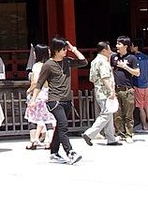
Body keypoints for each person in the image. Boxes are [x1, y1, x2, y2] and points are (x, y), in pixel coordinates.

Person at [28, 36, 87, 164]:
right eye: (63, 49)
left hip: (67, 100)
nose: (66, 51)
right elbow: (39, 83)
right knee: (63, 125)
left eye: (66, 49)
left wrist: (74, 49)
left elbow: (84, 62)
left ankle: (54, 153)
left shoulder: (67, 62)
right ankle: (70, 152)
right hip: (55, 100)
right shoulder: (48, 65)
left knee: (60, 127)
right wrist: (33, 99)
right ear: (56, 50)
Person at [82, 41, 121, 147]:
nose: (110, 52)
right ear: (104, 50)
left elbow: (92, 78)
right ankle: (89, 134)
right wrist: (111, 90)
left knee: (108, 114)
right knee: (106, 114)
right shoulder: (103, 62)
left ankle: (111, 138)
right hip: (105, 92)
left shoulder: (94, 61)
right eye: (109, 49)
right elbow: (105, 77)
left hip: (98, 90)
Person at [25, 44, 56, 150]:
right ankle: (49, 142)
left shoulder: (37, 66)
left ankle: (33, 141)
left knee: (32, 119)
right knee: (48, 119)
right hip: (49, 94)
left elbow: (35, 82)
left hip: (38, 94)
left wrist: (29, 91)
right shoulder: (51, 64)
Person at [111, 36, 140, 142]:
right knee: (117, 113)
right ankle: (119, 133)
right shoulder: (114, 57)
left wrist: (125, 67)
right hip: (116, 89)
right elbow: (111, 70)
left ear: (126, 46)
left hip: (128, 89)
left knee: (128, 113)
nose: (117, 46)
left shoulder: (132, 58)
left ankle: (129, 134)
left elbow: (137, 73)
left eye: (119, 44)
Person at [131, 39, 148, 132]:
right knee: (146, 106)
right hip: (146, 84)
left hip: (138, 84)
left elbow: (134, 72)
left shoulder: (134, 58)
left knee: (140, 107)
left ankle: (144, 127)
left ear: (136, 47)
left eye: (132, 46)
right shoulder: (147, 57)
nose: (131, 47)